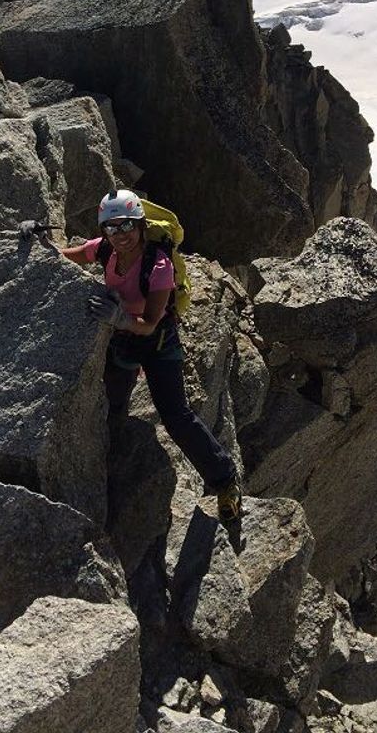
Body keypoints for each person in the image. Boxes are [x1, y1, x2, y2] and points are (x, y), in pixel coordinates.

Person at [21, 189, 242, 521]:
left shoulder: (159, 264)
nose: (120, 235)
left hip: (157, 344)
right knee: (112, 406)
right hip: (123, 340)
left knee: (175, 416)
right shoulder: (105, 249)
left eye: (126, 226)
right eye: (111, 228)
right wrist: (37, 243)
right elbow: (73, 255)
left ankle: (224, 480)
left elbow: (151, 324)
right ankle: (108, 471)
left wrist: (119, 317)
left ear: (140, 225)